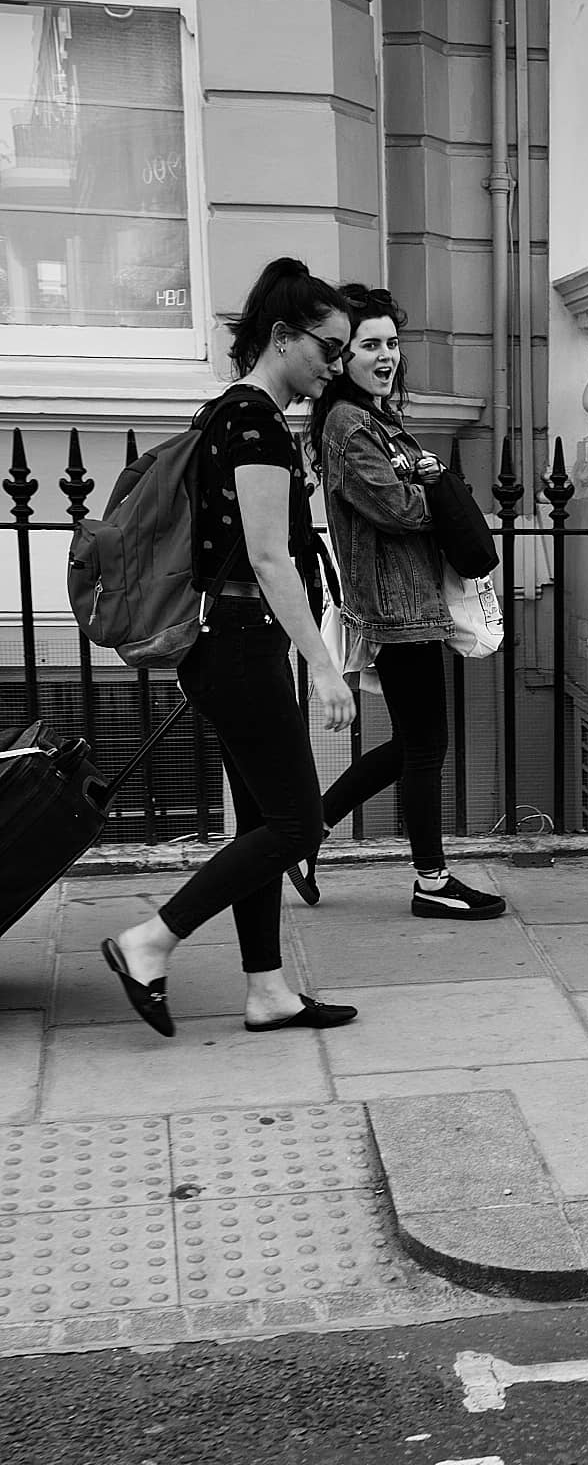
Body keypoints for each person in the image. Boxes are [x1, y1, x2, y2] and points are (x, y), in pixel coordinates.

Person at [101, 258, 360, 1038]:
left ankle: (268, 991)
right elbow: (270, 555)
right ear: (283, 337)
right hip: (239, 642)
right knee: (298, 823)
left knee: (262, 820)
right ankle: (151, 941)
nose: (335, 364)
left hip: (229, 642)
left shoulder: (228, 413)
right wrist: (323, 667)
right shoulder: (253, 422)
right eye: (329, 347)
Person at [288, 284, 505, 921]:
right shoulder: (348, 423)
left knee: (416, 740)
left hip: (413, 601)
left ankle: (309, 831)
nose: (387, 356)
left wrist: (427, 479)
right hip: (396, 607)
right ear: (342, 355)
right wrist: (434, 481)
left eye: (392, 343)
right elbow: (397, 507)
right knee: (426, 746)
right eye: (370, 345)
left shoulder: (377, 418)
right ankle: (431, 881)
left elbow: (411, 495)